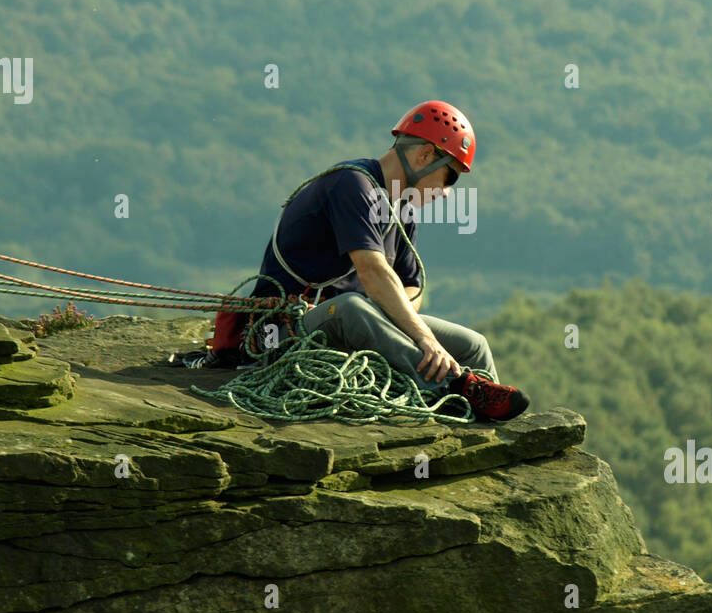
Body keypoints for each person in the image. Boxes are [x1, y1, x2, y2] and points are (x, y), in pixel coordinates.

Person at [181, 100, 530, 421]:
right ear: (425, 155)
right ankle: (454, 391)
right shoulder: (352, 185)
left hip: (352, 322)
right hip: (282, 330)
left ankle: (487, 415)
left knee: (474, 344)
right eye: (450, 176)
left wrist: (391, 312)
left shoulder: (401, 208)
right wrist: (424, 339)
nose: (447, 191)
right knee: (351, 307)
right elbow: (373, 271)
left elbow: (411, 286)